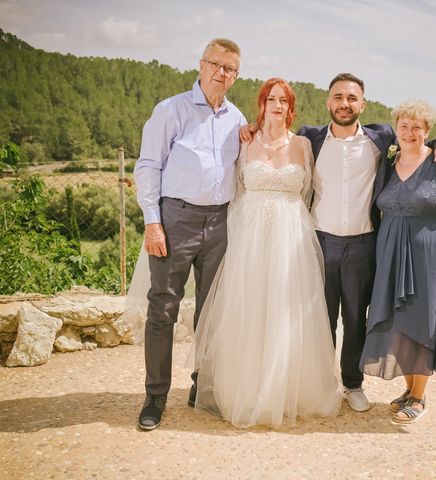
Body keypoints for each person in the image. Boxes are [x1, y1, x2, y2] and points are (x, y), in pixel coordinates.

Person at [297, 74, 436, 412]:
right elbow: (276, 139)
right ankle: (316, 385)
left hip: (363, 243)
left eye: (352, 98)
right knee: (317, 319)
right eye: (338, 97)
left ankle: (353, 385)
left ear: (363, 105)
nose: (344, 104)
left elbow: (418, 135)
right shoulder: (308, 139)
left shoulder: (381, 138)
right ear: (328, 102)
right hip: (320, 241)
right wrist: (250, 129)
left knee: (357, 320)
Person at [192, 78, 342, 428]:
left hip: (291, 235)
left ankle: (287, 389)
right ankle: (246, 391)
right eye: (271, 99)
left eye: (284, 100)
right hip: (251, 236)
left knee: (288, 311)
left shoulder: (304, 144)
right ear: (261, 104)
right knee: (251, 308)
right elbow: (237, 189)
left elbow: (307, 193)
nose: (277, 105)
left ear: (291, 108)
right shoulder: (243, 141)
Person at [133, 38, 246, 431]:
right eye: (215, 64)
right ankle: (155, 397)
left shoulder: (237, 118)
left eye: (229, 69)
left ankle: (203, 389)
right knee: (163, 307)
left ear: (235, 76)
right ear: (201, 65)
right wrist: (152, 220)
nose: (221, 73)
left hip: (221, 222)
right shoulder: (171, 109)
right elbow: (148, 165)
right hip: (175, 218)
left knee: (211, 312)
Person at [359, 100, 436, 424]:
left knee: (422, 317)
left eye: (417, 127)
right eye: (404, 126)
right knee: (399, 320)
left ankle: (420, 397)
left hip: (429, 252)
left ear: (428, 131)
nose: (410, 132)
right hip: (390, 251)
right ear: (396, 128)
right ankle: (409, 389)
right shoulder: (387, 163)